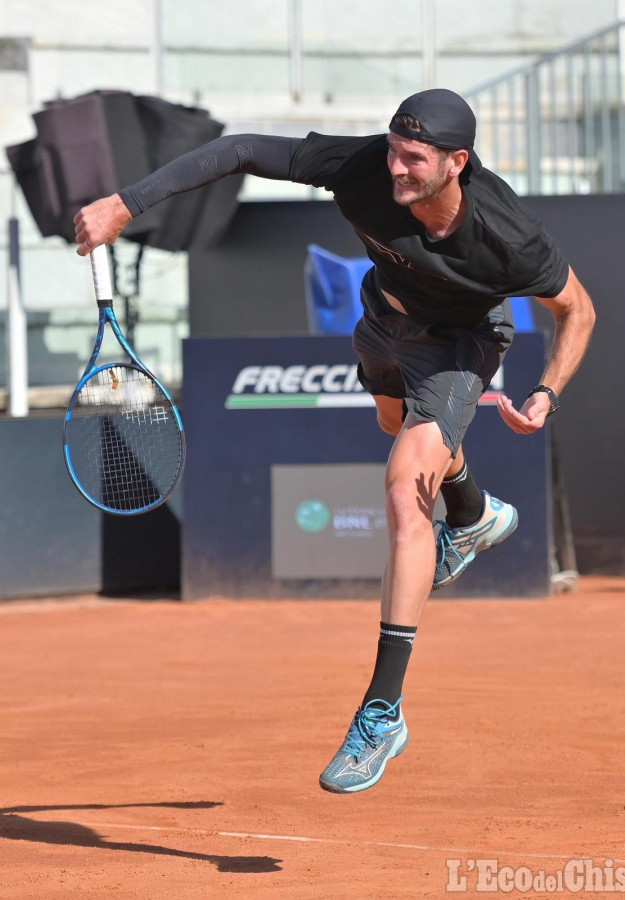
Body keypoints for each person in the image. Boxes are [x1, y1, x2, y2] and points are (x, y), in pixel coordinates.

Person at [74, 88, 596, 795]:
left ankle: (382, 711)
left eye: (414, 158)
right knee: (392, 425)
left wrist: (548, 391)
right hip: (382, 322)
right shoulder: (361, 166)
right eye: (393, 149)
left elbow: (579, 311)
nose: (397, 168)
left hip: (459, 346)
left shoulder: (508, 235)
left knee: (404, 491)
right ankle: (473, 515)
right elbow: (242, 150)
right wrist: (126, 203)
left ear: (456, 163)